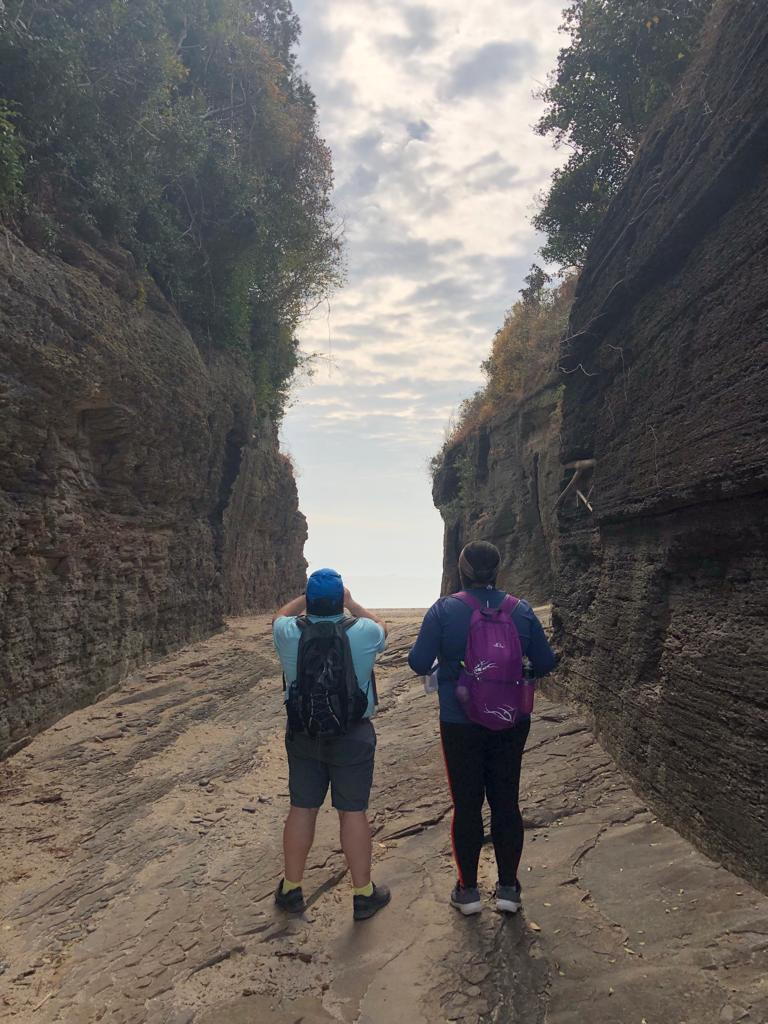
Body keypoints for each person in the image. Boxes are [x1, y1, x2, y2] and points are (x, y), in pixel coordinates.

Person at [408, 541, 556, 915]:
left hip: (459, 721)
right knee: (506, 801)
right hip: (510, 720)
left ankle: (468, 891)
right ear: (497, 570)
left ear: (462, 571)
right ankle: (508, 890)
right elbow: (544, 662)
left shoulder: (444, 610)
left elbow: (419, 662)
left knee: (467, 805)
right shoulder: (521, 611)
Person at [272, 568, 391, 921]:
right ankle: (363, 895)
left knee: (302, 808)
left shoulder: (288, 633)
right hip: (353, 734)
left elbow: (278, 616)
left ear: (310, 600)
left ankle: (292, 889)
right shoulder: (364, 632)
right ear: (340, 599)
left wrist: (303, 599)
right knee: (352, 812)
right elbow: (382, 626)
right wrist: (352, 603)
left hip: (304, 732)